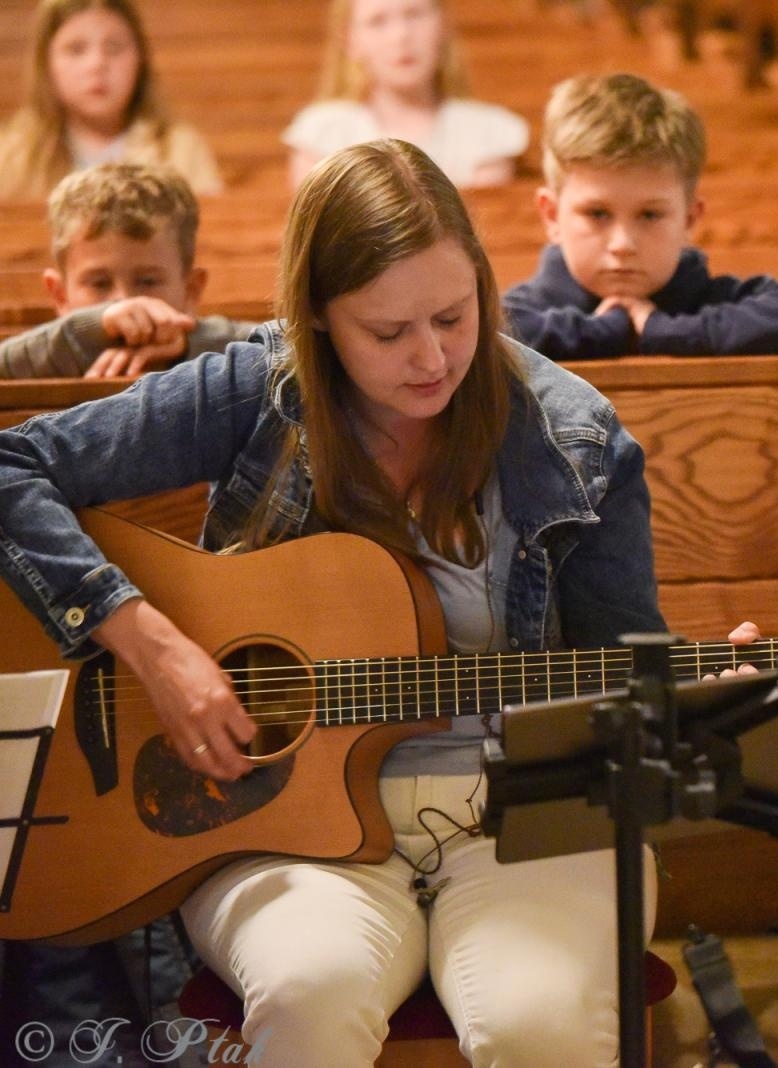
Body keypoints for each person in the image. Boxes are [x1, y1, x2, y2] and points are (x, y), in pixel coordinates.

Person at [0, 139, 665, 1067]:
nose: (432, 357)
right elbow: (13, 466)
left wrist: (702, 687)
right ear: (316, 318)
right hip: (277, 824)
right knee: (311, 992)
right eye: (387, 333)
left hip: (520, 814)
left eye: (454, 315)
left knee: (536, 1021)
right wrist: (151, 643)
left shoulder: (575, 435)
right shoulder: (258, 387)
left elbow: (630, 672)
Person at [501, 72, 778, 359]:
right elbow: (483, 338)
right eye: (597, 213)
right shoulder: (515, 316)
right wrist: (604, 332)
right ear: (552, 216)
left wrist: (663, 331)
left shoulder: (711, 303)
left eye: (650, 215)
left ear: (689, 220)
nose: (623, 244)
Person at [0, 162, 255, 379]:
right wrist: (88, 330)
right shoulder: (46, 356)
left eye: (147, 281)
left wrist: (190, 342)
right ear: (60, 295)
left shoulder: (211, 348)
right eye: (99, 283)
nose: (125, 303)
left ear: (191, 289)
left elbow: (275, 347)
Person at [283, 0, 528, 189]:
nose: (401, 36)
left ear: (443, 24)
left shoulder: (487, 133)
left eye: (415, 14)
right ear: (350, 40)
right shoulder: (322, 135)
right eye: (377, 21)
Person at [0, 0, 222, 202]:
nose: (97, 64)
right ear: (46, 63)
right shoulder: (13, 156)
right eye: (76, 49)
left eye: (114, 48)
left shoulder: (180, 149)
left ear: (140, 61)